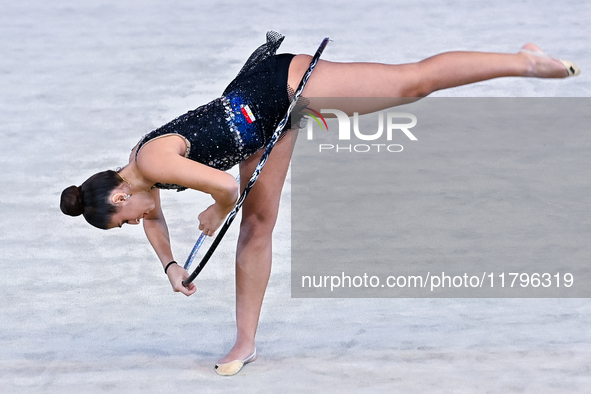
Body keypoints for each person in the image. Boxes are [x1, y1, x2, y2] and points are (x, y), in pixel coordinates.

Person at [60, 31, 579, 376]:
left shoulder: (151, 164)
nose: (137, 223)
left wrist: (218, 209)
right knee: (257, 226)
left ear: (121, 196)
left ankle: (522, 60)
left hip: (280, 86)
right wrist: (171, 265)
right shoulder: (139, 171)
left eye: (123, 221)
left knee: (409, 84)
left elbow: (226, 191)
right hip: (261, 125)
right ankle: (245, 342)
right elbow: (156, 219)